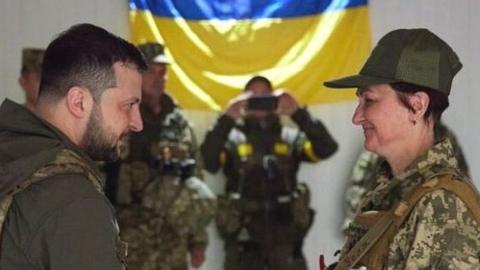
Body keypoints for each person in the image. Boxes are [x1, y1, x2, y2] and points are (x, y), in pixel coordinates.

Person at [324, 28, 480, 269]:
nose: (357, 117)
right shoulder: (394, 190)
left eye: (370, 100)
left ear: (417, 105)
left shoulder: (442, 205)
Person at [0, 23, 147, 270]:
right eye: (129, 105)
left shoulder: (13, 150)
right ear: (78, 102)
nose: (137, 123)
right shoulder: (74, 201)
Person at [201, 75, 338, 270]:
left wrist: (298, 113)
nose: (260, 103)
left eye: (265, 96)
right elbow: (208, 163)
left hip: (285, 237)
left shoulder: (290, 138)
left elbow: (327, 148)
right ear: (244, 101)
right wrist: (226, 118)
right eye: (253, 97)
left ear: (274, 100)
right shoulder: (232, 138)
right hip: (243, 241)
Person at [113, 42, 216, 270]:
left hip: (173, 237)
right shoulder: (118, 118)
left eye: (164, 72)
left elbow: (196, 177)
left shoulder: (179, 123)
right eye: (151, 71)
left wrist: (198, 241)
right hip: (131, 236)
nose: (159, 78)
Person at [342, 121, 470, 232]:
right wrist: (355, 220)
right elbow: (360, 177)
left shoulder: (444, 137)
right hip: (386, 226)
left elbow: (461, 179)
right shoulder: (385, 137)